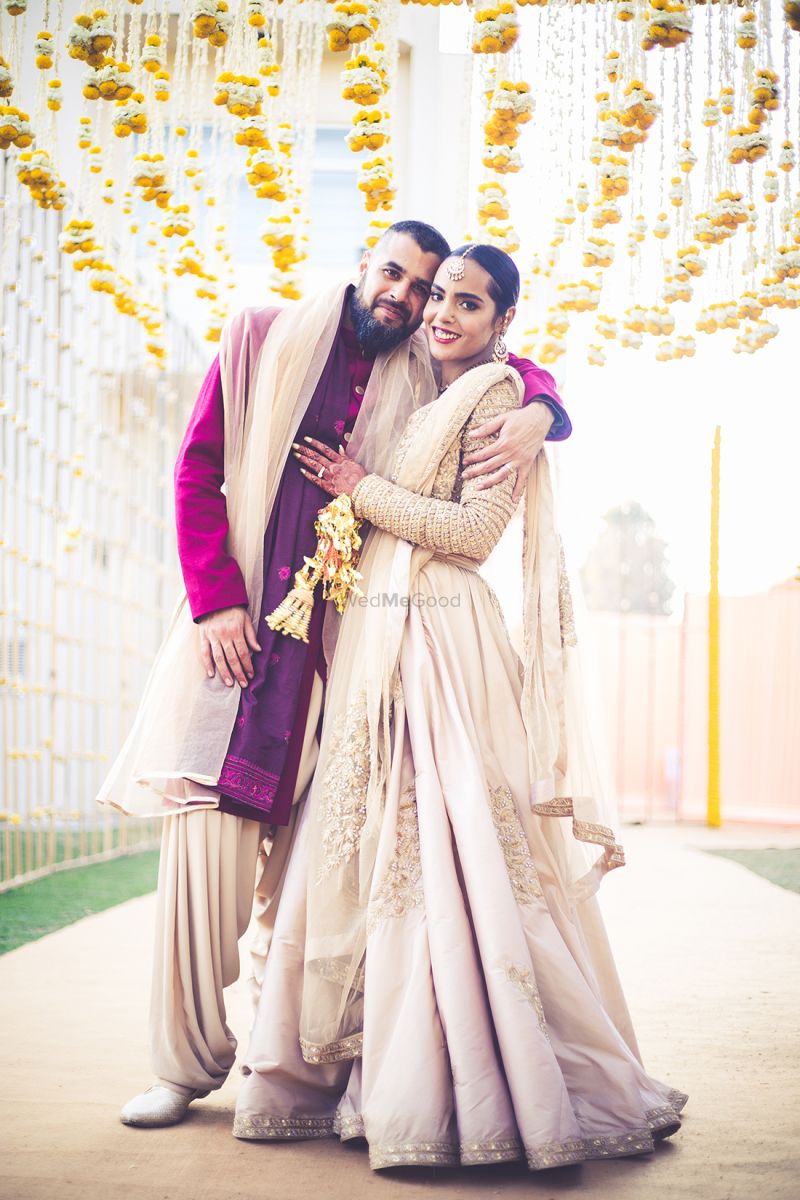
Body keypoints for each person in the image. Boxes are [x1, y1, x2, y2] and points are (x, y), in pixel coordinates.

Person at [98, 220, 572, 1128]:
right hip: (236, 642)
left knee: (322, 870)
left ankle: (295, 1064)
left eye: (426, 287)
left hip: (349, 657)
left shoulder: (417, 370)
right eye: (394, 274)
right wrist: (215, 603)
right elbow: (197, 471)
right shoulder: (261, 334)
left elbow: (503, 367)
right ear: (364, 264)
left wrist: (544, 405)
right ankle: (182, 1066)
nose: (406, 296)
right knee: (206, 851)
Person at [232, 244, 688, 1170]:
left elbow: (476, 536)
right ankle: (361, 1070)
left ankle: (477, 1082)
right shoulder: (424, 381)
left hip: (443, 637)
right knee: (375, 840)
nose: (441, 313)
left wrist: (364, 490)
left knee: (448, 844)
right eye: (438, 294)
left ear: (500, 323)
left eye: (467, 304)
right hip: (386, 638)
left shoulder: (494, 397)